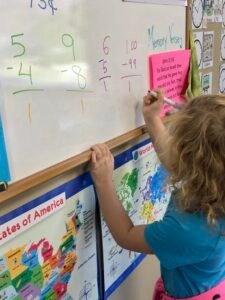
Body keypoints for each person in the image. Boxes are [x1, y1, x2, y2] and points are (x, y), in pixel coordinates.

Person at [90, 90, 225, 300]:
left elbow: (125, 234)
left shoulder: (189, 230)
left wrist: (104, 182)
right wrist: (152, 119)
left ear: (187, 157)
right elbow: (176, 163)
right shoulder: (215, 185)